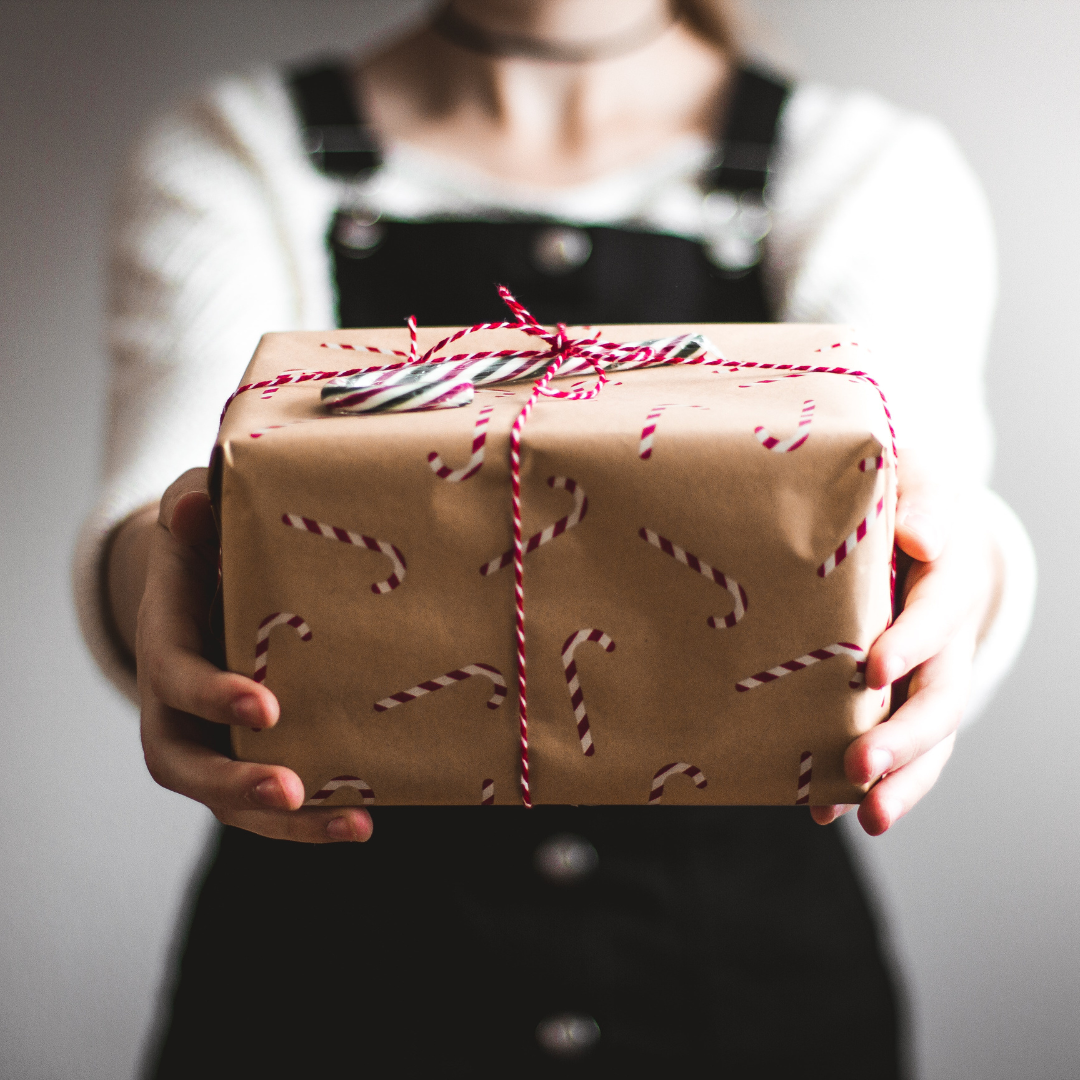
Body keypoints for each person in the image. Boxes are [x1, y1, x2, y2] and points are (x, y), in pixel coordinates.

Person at [74, 0, 1036, 1075]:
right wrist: (155, 589)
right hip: (325, 1007)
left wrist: (970, 573)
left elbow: (926, 487)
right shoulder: (240, 150)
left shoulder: (864, 166)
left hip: (750, 1006)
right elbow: (168, 494)